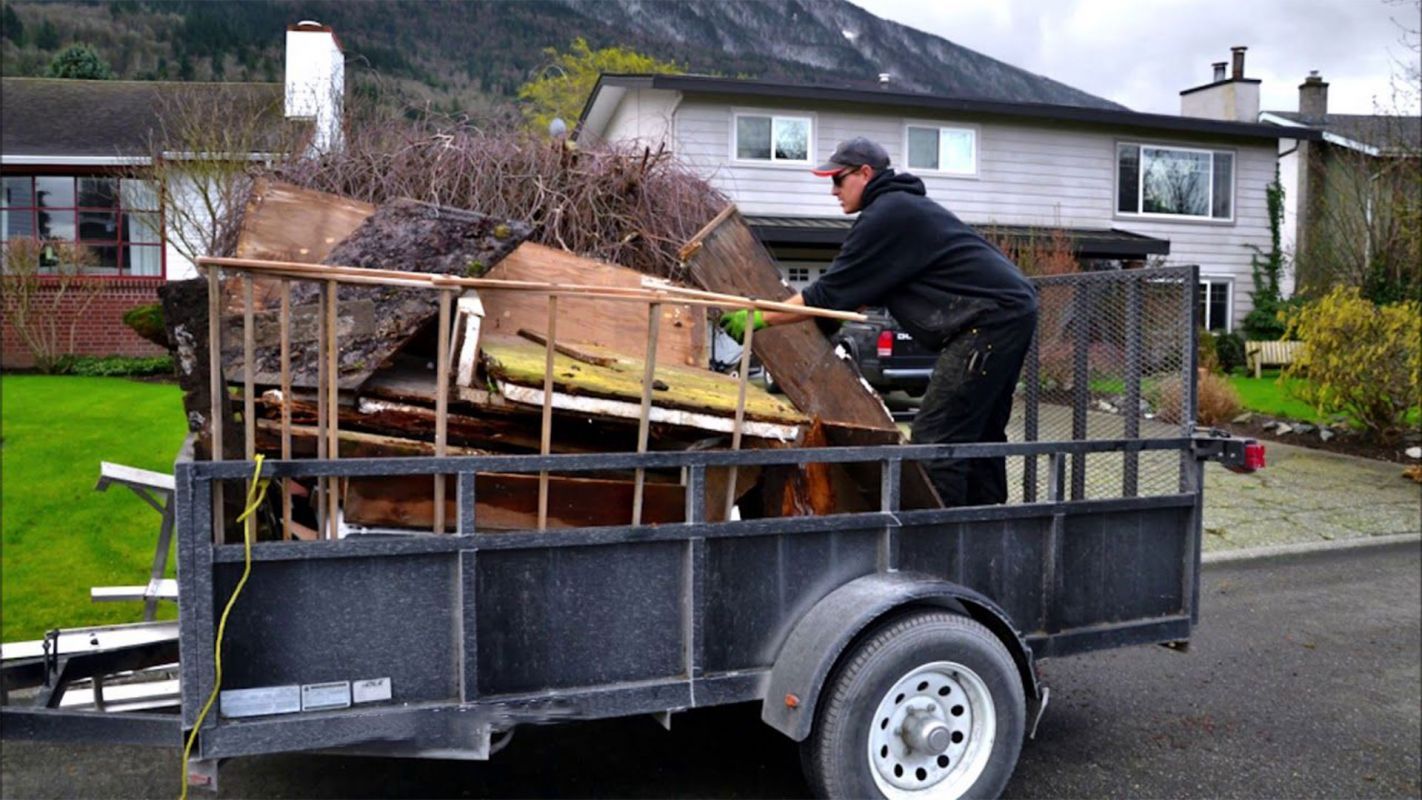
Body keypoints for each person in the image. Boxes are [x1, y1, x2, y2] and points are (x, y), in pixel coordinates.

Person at [719, 137, 1038, 507]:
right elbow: (853, 293)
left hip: (989, 320)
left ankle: (940, 542)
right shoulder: (901, 211)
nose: (833, 191)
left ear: (865, 173)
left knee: (937, 439)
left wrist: (759, 316)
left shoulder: (887, 214)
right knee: (977, 435)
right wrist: (823, 331)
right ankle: (987, 528)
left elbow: (828, 292)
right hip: (1008, 310)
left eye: (838, 180)